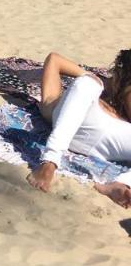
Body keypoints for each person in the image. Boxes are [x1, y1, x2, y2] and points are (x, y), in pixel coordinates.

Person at [27, 51, 131, 209]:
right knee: (88, 83)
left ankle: (119, 184)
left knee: (89, 82)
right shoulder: (85, 89)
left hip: (113, 138)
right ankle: (50, 161)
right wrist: (90, 76)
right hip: (87, 127)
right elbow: (54, 59)